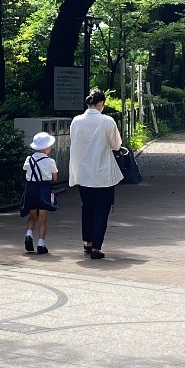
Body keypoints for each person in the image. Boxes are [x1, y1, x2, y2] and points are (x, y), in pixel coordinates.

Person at [68, 88, 122, 260]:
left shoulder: (76, 121)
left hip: (82, 172)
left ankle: (88, 242)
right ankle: (96, 247)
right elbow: (116, 145)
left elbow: (73, 140)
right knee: (101, 210)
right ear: (101, 103)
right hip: (102, 173)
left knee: (87, 208)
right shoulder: (107, 121)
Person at [20, 131, 58, 255]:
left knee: (32, 217)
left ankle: (28, 235)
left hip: (31, 189)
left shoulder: (29, 159)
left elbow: (26, 169)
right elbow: (55, 178)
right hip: (43, 189)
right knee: (43, 219)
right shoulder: (50, 161)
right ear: (46, 148)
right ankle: (41, 244)